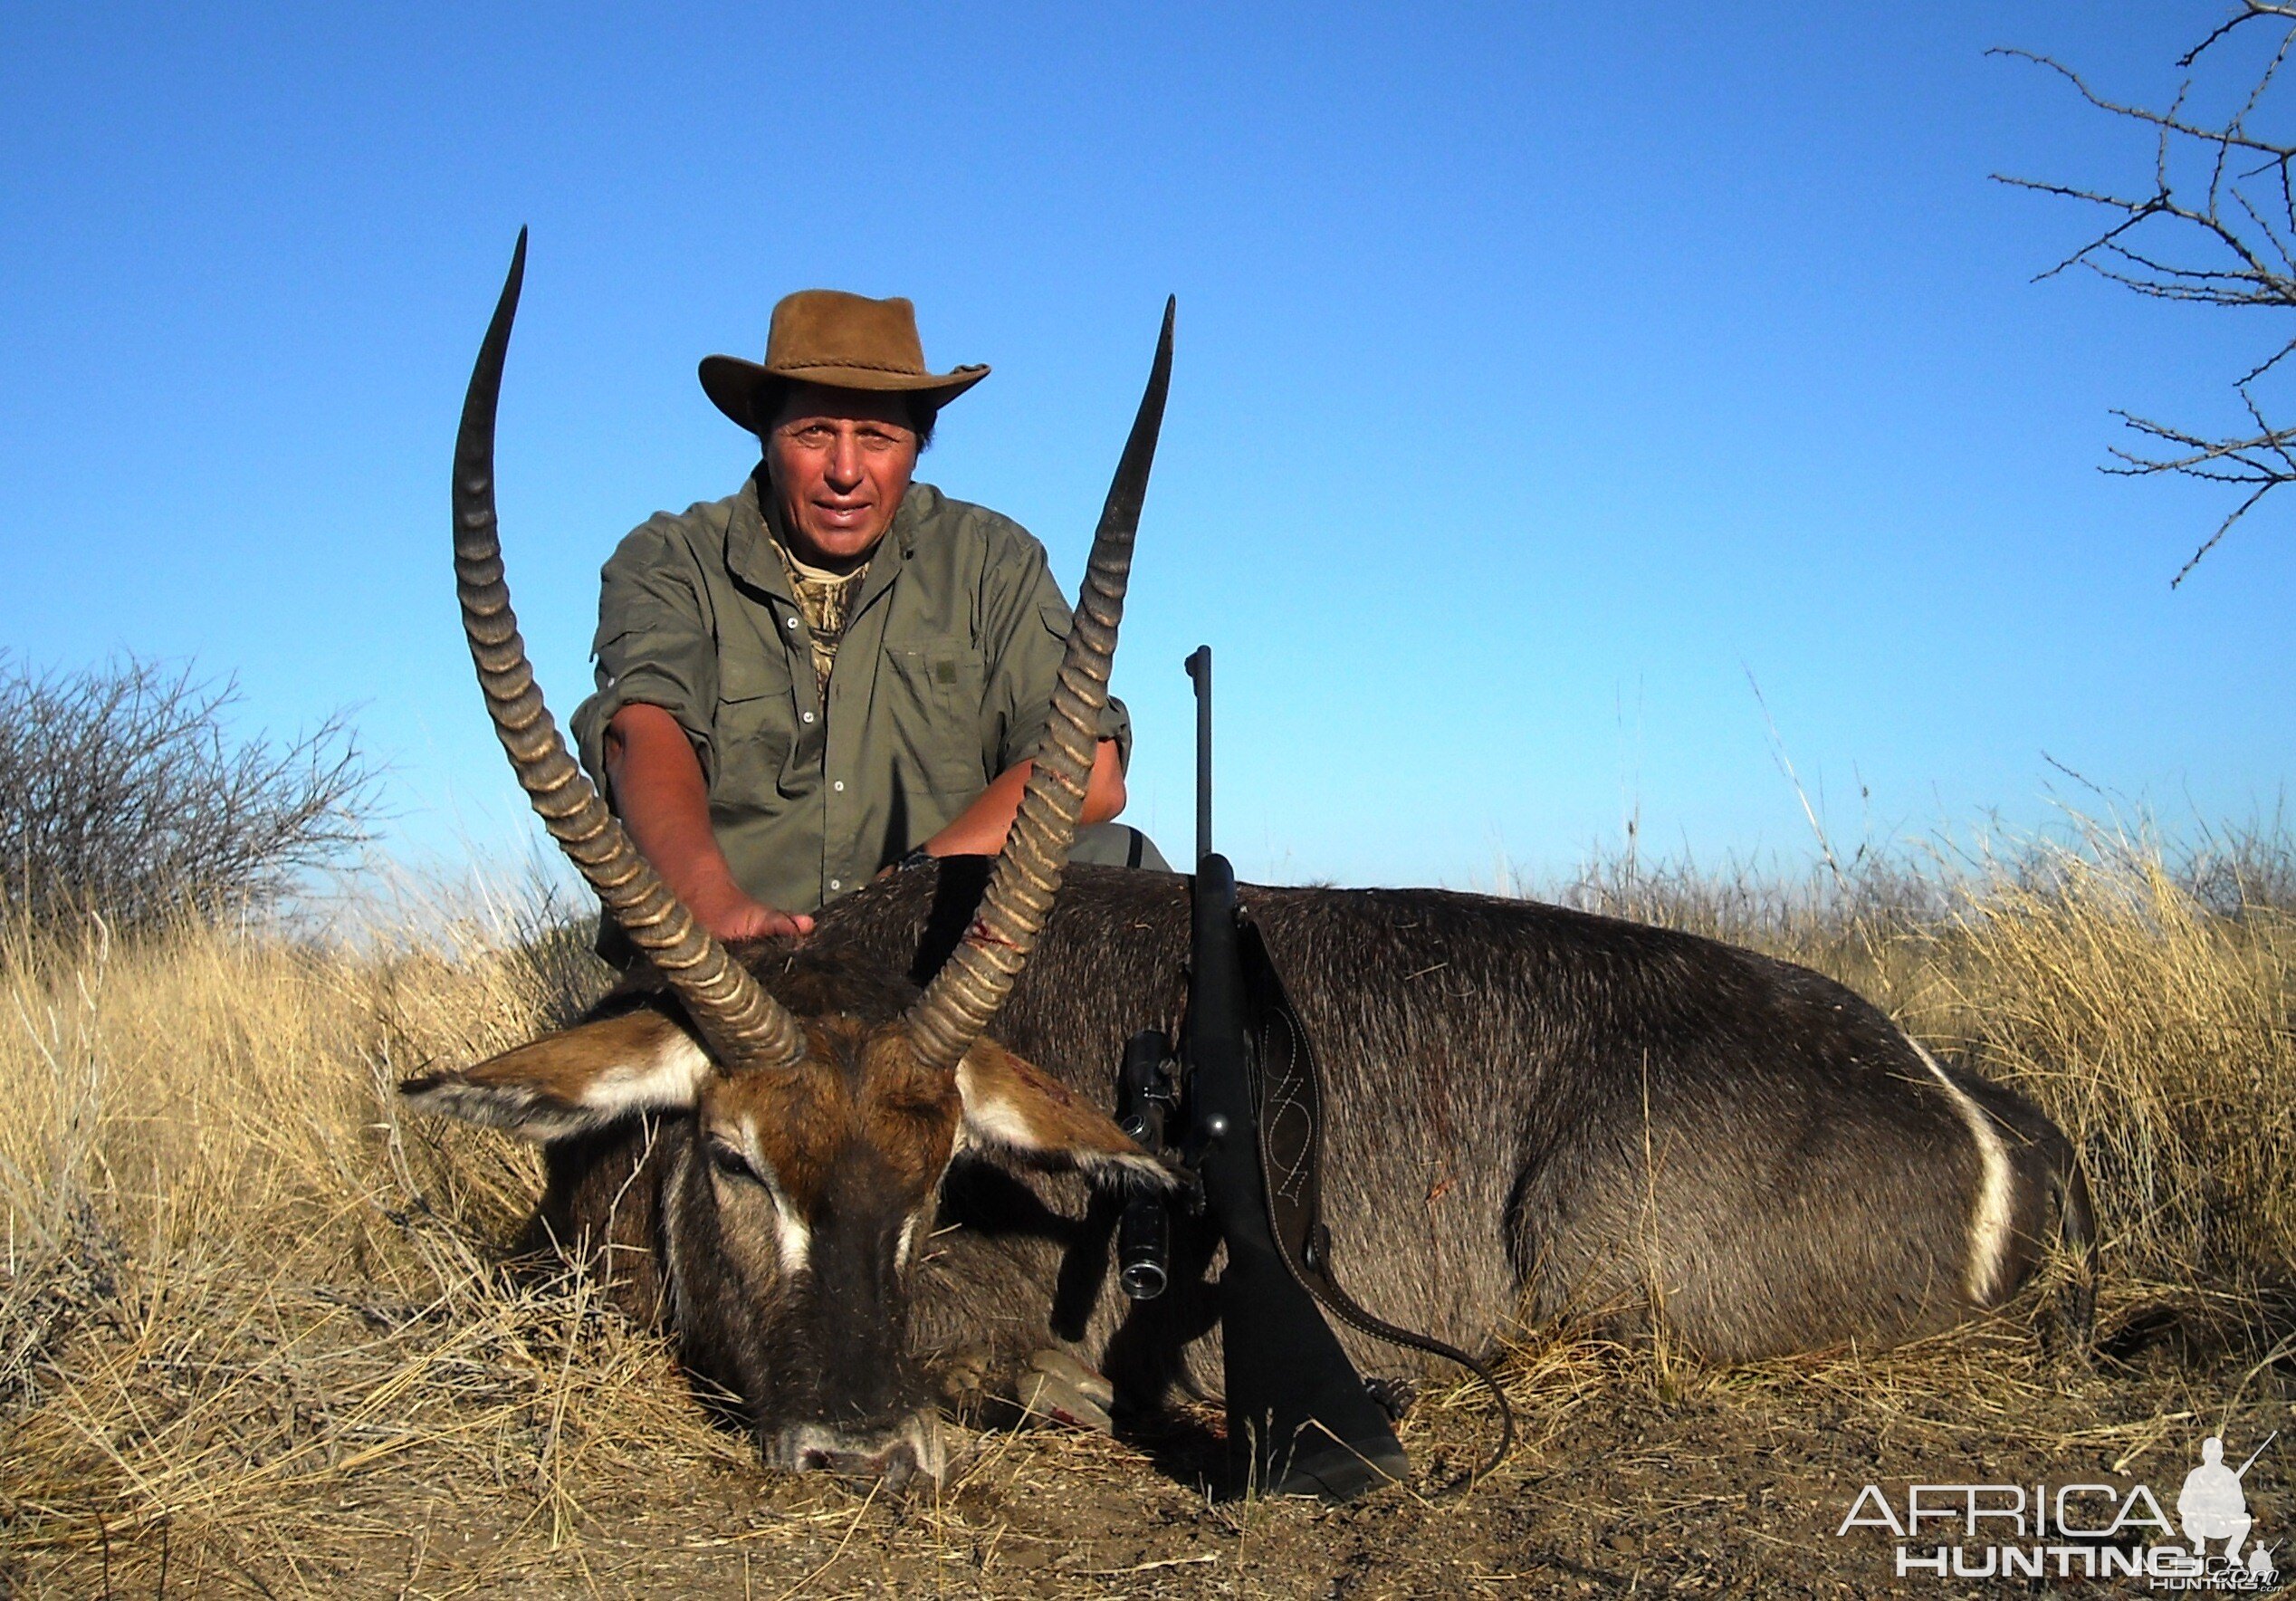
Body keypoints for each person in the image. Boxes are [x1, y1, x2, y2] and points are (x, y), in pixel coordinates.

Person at [572, 289, 1166, 953]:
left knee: (1124, 862)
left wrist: (903, 893)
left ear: (917, 447)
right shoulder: (672, 558)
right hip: (735, 948)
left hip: (927, 947)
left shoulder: (991, 560)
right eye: (814, 433)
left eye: (877, 437)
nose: (846, 472)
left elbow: (1090, 769)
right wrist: (712, 906)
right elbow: (642, 730)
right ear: (766, 436)